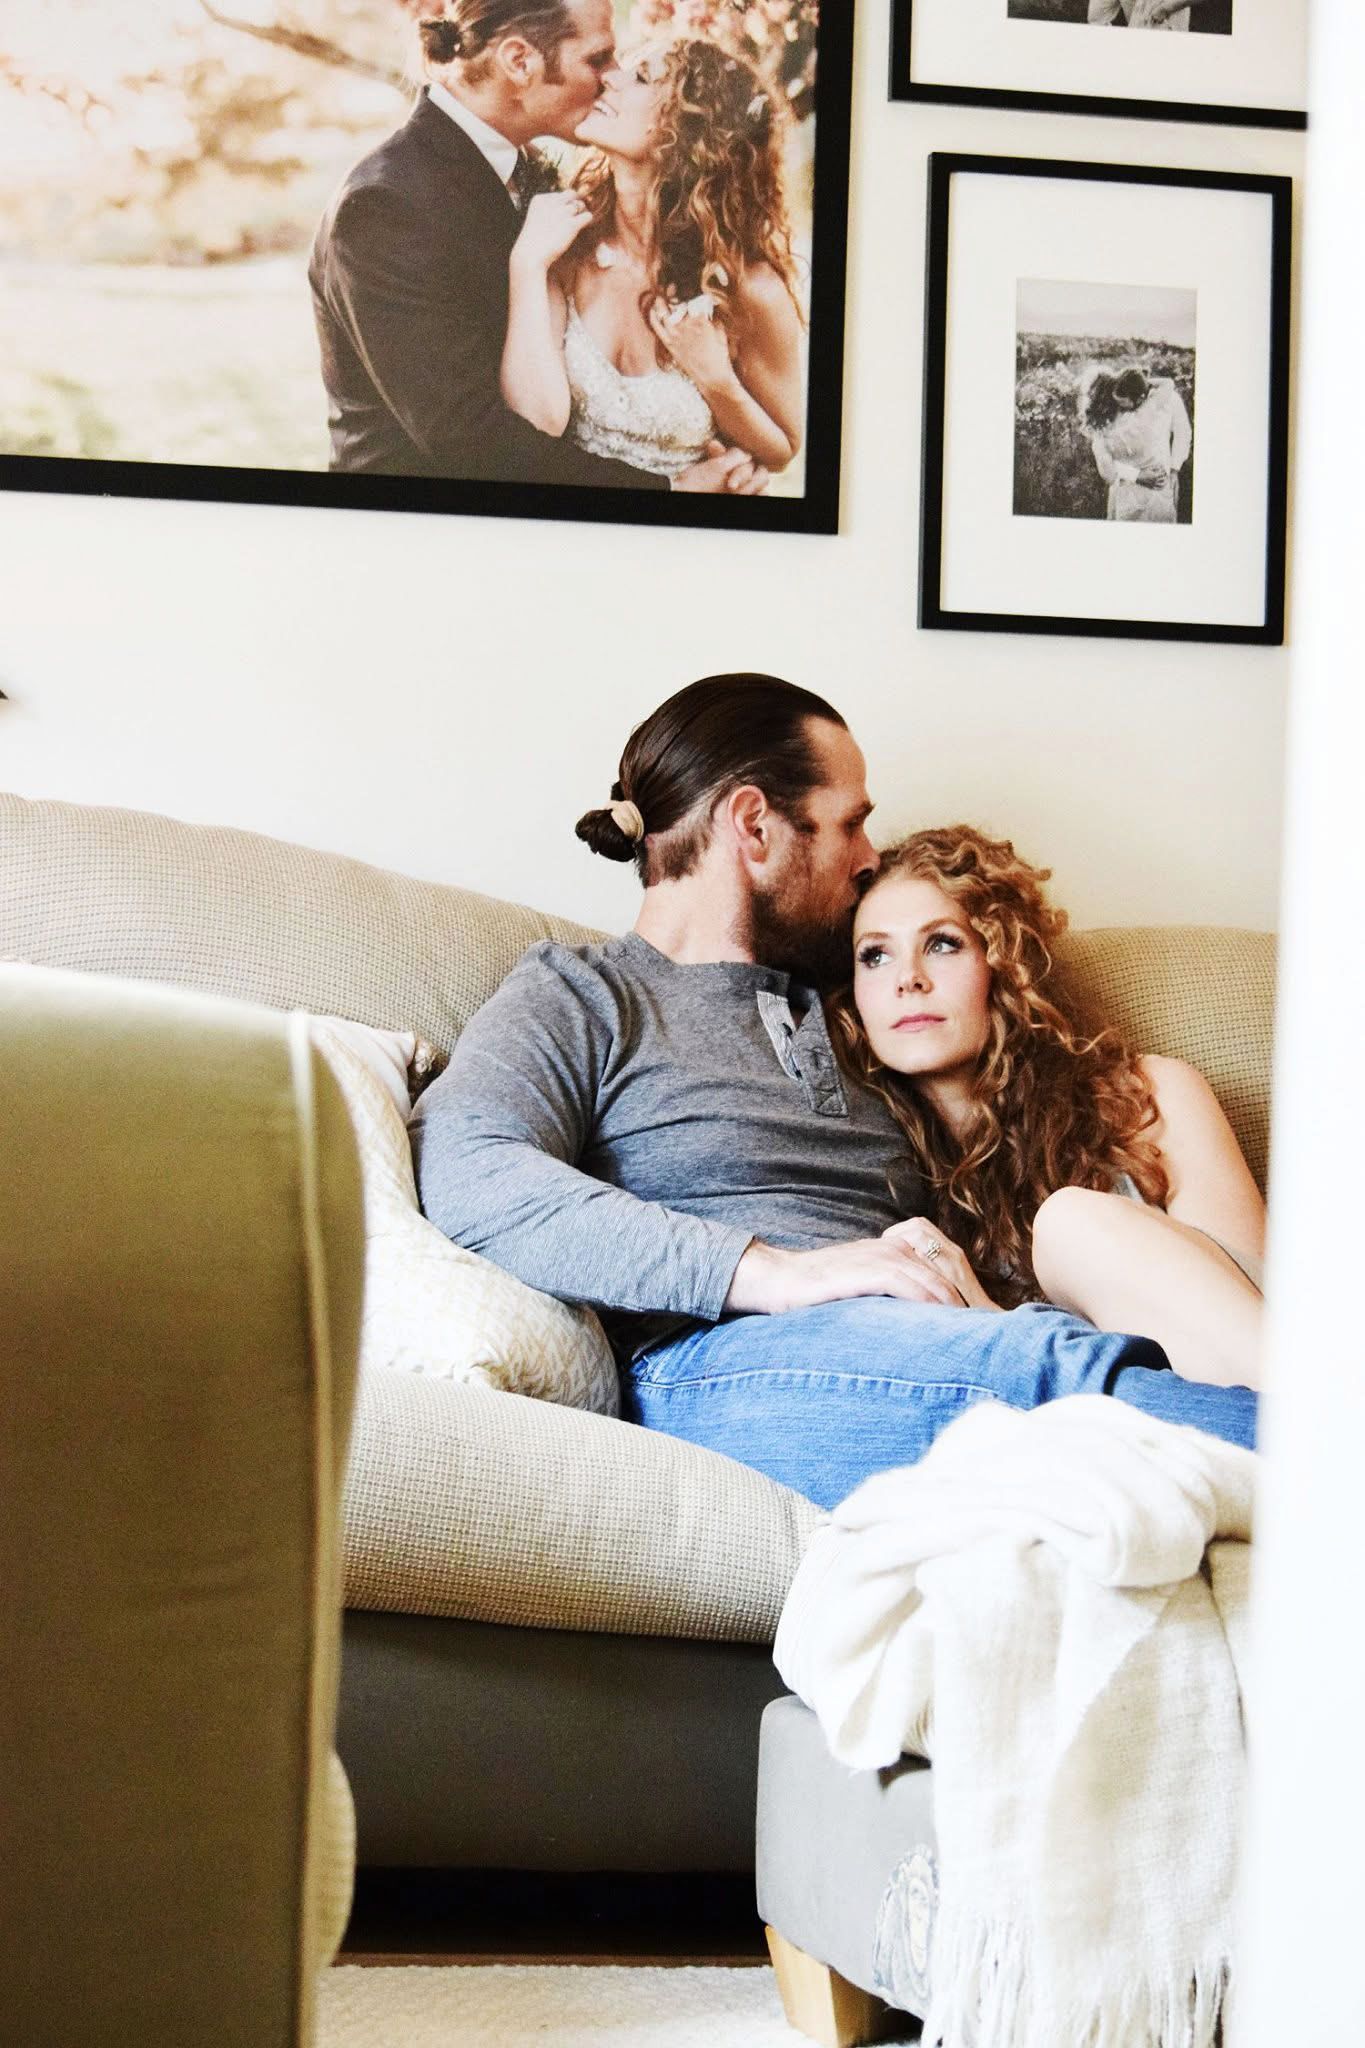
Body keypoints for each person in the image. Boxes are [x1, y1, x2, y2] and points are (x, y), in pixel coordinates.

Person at [410, 674, 1257, 1511]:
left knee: (1055, 1353)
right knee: (1050, 1370)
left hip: (929, 1339)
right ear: (752, 824)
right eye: (849, 822)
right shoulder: (585, 993)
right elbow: (466, 1167)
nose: (866, 858)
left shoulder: (856, 1008)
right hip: (729, 1356)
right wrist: (770, 1272)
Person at [831, 825, 1265, 1390]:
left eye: (942, 943)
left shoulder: (1148, 1099)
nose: (908, 979)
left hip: (1255, 1404)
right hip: (1097, 1443)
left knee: (1071, 1225)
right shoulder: (870, 1180)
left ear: (1003, 966)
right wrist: (982, 1320)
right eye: (875, 955)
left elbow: (1261, 1308)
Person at [308, 1, 762, 495]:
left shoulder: (535, 174)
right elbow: (466, 438)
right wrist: (671, 489)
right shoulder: (386, 205)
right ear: (519, 61)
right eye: (597, 58)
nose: (613, 76)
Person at [499, 38, 804, 481]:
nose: (609, 79)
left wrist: (716, 380)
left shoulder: (749, 289)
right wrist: (527, 266)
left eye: (641, 77)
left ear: (690, 128)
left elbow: (781, 451)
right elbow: (535, 425)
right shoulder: (565, 244)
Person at [1082, 364, 1192, 523]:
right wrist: (1140, 475)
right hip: (1139, 483)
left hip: (1150, 480)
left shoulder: (1168, 399)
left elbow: (1183, 432)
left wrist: (1174, 469)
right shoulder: (1129, 404)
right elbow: (1109, 466)